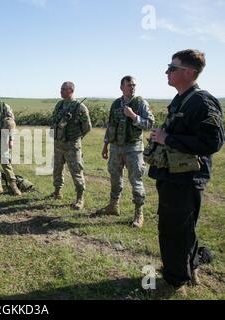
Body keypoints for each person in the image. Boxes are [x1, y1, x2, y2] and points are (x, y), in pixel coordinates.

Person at [147, 49, 224, 296]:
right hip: (172, 175)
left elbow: (213, 142)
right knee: (181, 227)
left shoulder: (201, 101)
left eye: (172, 67)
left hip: (186, 178)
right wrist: (162, 139)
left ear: (189, 72)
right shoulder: (182, 99)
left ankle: (174, 281)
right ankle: (191, 266)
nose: (166, 72)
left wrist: (168, 138)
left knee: (174, 229)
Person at [94, 76, 154, 228]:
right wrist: (105, 145)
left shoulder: (140, 103)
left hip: (133, 149)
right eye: (129, 85)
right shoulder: (116, 104)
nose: (132, 87)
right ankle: (113, 206)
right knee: (115, 177)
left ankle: (138, 213)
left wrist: (134, 116)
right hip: (115, 148)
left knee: (136, 180)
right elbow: (110, 126)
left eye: (134, 85)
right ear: (121, 87)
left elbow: (150, 124)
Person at [50, 81, 92, 210]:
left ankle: (80, 198)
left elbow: (87, 127)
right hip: (58, 143)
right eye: (61, 89)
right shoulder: (59, 104)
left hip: (72, 146)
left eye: (63, 89)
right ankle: (57, 192)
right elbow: (54, 120)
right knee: (57, 169)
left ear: (71, 91)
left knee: (76, 171)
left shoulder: (80, 107)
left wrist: (76, 138)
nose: (60, 91)